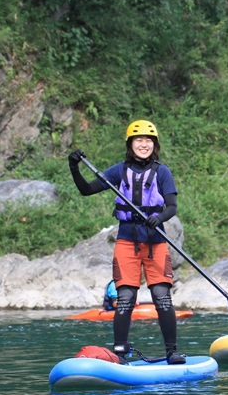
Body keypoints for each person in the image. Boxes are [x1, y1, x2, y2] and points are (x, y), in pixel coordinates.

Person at [68, 119, 185, 365]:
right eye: (138, 140)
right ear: (130, 144)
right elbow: (86, 190)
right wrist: (74, 167)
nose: (144, 144)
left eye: (148, 140)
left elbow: (172, 206)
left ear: (155, 144)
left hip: (156, 241)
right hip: (127, 240)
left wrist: (158, 218)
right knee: (125, 299)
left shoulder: (162, 172)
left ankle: (172, 351)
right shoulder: (118, 171)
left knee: (162, 296)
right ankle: (119, 353)